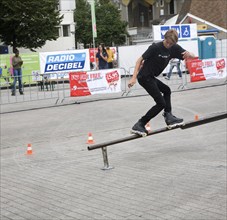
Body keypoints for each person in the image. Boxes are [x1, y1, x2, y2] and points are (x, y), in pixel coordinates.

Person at [128, 29, 195, 136]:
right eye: (167, 42)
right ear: (165, 38)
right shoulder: (155, 47)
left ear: (174, 43)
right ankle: (140, 124)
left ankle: (169, 116)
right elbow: (139, 60)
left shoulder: (175, 48)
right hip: (144, 77)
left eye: (171, 43)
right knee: (160, 103)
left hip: (151, 77)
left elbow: (192, 56)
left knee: (167, 90)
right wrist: (133, 78)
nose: (168, 45)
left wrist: (189, 53)